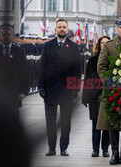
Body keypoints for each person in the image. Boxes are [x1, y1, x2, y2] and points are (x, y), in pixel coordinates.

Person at [38, 18, 81, 156]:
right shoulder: (47, 46)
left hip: (67, 90)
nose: (62, 29)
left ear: (67, 30)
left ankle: (64, 148)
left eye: (64, 27)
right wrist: (40, 86)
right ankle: (51, 148)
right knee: (50, 122)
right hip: (50, 89)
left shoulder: (74, 47)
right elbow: (42, 67)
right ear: (55, 30)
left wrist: (76, 89)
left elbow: (77, 70)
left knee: (65, 122)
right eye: (59, 27)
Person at [97, 16, 121, 165]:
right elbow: (101, 66)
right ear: (117, 29)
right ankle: (114, 153)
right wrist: (111, 84)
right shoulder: (109, 46)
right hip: (113, 91)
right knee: (112, 123)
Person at [0, 23, 28, 120]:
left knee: (13, 119)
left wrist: (24, 91)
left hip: (14, 92)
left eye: (8, 35)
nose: (6, 37)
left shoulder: (19, 52)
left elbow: (24, 72)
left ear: (12, 36)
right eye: (3, 35)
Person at [82, 36, 111, 157]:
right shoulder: (93, 60)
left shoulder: (113, 60)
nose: (104, 45)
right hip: (95, 97)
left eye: (107, 43)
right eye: (102, 43)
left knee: (107, 126)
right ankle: (95, 149)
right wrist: (85, 97)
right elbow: (87, 79)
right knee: (96, 125)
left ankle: (105, 149)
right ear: (99, 45)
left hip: (109, 97)